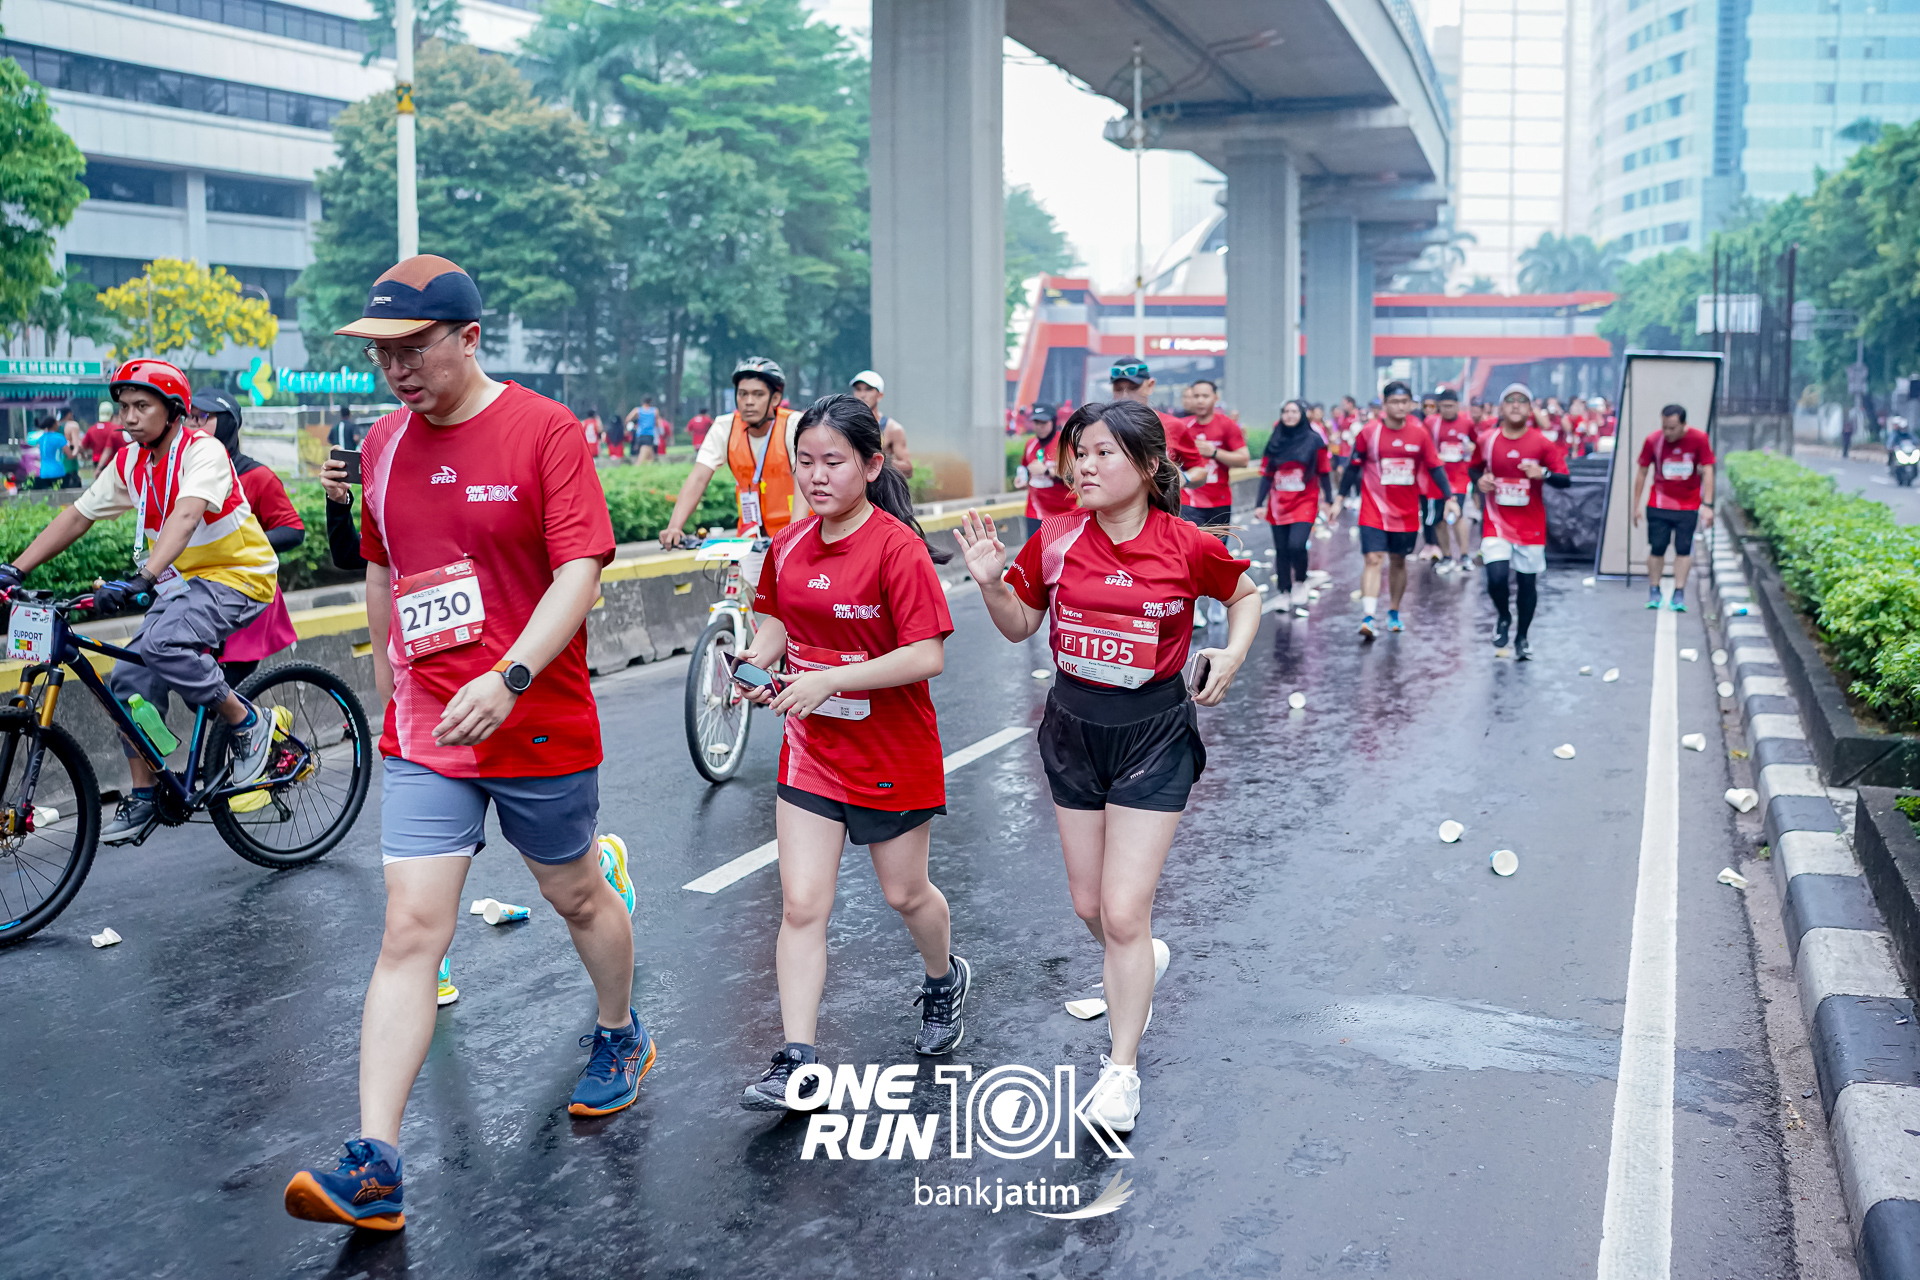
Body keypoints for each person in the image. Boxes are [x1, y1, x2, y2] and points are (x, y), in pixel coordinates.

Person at [282, 255, 650, 1233]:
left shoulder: (545, 430)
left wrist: (509, 676)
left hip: (536, 716)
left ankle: (620, 1031)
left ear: (470, 337)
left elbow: (580, 572)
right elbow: (381, 567)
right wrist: (386, 678)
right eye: (383, 355)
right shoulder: (384, 446)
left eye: (414, 349)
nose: (396, 370)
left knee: (576, 895)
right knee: (411, 930)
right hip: (428, 727)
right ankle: (376, 1163)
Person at [952, 398, 1259, 1135]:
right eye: (1078, 454)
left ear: (1148, 467)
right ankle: (1140, 959)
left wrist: (1231, 653)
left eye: (1102, 454)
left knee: (1123, 911)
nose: (1083, 467)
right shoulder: (1056, 538)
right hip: (1072, 732)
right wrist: (992, 583)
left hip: (1153, 736)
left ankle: (1121, 1071)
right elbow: (1021, 626)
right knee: (1091, 907)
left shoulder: (1187, 545)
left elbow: (1244, 596)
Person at [731, 394, 964, 1110]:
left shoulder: (896, 548)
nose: (816, 476)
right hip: (812, 750)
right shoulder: (789, 545)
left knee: (905, 894)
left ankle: (943, 978)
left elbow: (926, 655)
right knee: (802, 905)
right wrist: (756, 663)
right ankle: (796, 1062)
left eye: (832, 461)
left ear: (870, 465)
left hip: (892, 751)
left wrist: (830, 678)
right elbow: (777, 625)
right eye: (804, 461)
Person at [0, 360, 281, 842]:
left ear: (173, 411)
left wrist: (142, 578)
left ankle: (248, 721)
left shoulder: (203, 451)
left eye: (141, 406)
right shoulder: (130, 462)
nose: (128, 417)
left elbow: (187, 516)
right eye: (123, 407)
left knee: (162, 644)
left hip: (237, 576)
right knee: (128, 678)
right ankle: (146, 794)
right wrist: (15, 569)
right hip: (182, 585)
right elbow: (78, 515)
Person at [190, 387, 305, 684]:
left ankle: (258, 715)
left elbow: (293, 530)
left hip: (248, 592)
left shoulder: (257, 476)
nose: (193, 424)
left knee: (221, 690)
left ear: (228, 423)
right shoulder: (185, 476)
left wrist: (238, 545)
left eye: (203, 416)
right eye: (189, 417)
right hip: (199, 593)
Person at [659, 359, 797, 603]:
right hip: (752, 535)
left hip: (796, 534)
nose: (749, 401)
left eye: (758, 394)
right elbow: (698, 478)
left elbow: (805, 485)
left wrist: (796, 533)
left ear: (775, 399)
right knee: (743, 599)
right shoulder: (725, 427)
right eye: (742, 394)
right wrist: (674, 527)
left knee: (796, 603)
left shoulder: (793, 426)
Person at [1340, 381, 1457, 638]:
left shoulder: (1419, 434)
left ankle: (1393, 611)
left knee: (1398, 560)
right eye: (1394, 402)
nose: (1400, 407)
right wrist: (1338, 497)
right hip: (1373, 509)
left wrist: (1449, 497)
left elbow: (1435, 467)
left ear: (1411, 404)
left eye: (1405, 402)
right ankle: (1368, 616)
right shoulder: (1369, 433)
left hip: (1406, 512)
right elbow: (1352, 467)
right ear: (1384, 404)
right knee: (1373, 558)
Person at [1471, 384, 1571, 660]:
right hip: (1496, 522)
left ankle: (1522, 637)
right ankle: (1504, 616)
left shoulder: (1542, 443)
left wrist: (1543, 473)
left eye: (1522, 401)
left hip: (1530, 525)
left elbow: (1565, 479)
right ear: (1501, 408)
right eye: (1510, 400)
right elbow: (1473, 469)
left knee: (1528, 584)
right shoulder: (1487, 440)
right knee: (1496, 577)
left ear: (1530, 410)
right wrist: (1480, 481)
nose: (1516, 405)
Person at [1631, 403, 1715, 612]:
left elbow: (1708, 470)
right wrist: (1636, 505)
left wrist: (1708, 504)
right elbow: (1642, 472)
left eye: (1672, 428)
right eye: (1664, 427)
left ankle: (1679, 591)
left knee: (1683, 549)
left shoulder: (1699, 439)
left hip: (1688, 505)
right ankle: (1654, 588)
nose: (1667, 432)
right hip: (1659, 503)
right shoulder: (1653, 440)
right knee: (1657, 548)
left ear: (1684, 424)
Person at [1257, 399, 1335, 617]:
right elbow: (1267, 474)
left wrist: (1329, 500)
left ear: (1302, 415)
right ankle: (1284, 590)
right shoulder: (1275, 440)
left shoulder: (1314, 440)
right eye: (1286, 412)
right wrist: (1259, 503)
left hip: (1304, 501)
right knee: (1281, 549)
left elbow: (1324, 471)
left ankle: (1300, 581)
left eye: (1294, 411)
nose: (1289, 415)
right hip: (1278, 503)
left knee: (1296, 545)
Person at [1426, 388, 1477, 573]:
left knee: (1457, 515)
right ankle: (1446, 556)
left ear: (1457, 405)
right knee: (1439, 519)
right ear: (1438, 406)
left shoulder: (1467, 423)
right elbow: (1424, 445)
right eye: (1444, 406)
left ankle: (1464, 556)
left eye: (1451, 406)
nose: (1448, 409)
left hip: (1459, 477)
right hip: (1437, 478)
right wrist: (1434, 455)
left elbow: (1477, 444)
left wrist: (1471, 448)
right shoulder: (1431, 423)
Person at [1018, 402, 1077, 534]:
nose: (1039, 427)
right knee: (1034, 548)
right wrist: (1021, 480)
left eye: (1044, 423)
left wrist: (1047, 471)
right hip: (1035, 513)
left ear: (1053, 421)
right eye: (1036, 422)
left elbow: (1074, 476)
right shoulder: (1030, 444)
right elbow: (1024, 469)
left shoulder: (1065, 444)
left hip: (1063, 514)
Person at [849, 370, 913, 479]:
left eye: (868, 389)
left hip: (878, 487)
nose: (862, 395)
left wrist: (880, 461)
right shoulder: (846, 424)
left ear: (880, 395)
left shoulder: (892, 428)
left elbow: (908, 469)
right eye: (858, 389)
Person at [28, 414, 74, 490]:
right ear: (54, 424)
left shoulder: (41, 438)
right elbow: (70, 455)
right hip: (57, 471)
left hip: (43, 472)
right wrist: (77, 450)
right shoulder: (59, 437)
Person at [81, 405, 123, 471]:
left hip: (96, 462)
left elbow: (84, 446)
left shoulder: (91, 429)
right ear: (111, 415)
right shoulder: (116, 429)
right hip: (112, 462)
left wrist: (84, 456)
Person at [631, 397, 659, 463]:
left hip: (640, 434)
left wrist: (634, 424)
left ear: (642, 402)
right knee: (644, 451)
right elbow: (656, 423)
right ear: (650, 402)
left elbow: (628, 419)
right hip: (650, 434)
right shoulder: (654, 410)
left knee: (650, 454)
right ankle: (637, 466)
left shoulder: (637, 410)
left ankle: (649, 467)